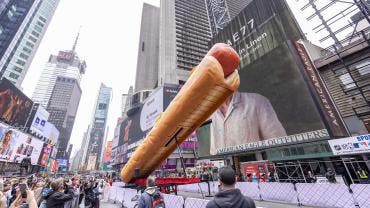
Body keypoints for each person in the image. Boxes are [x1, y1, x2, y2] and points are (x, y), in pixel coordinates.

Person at [210, 91, 286, 155]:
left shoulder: (256, 101)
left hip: (253, 169)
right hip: (220, 170)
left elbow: (279, 145)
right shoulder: (205, 111)